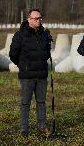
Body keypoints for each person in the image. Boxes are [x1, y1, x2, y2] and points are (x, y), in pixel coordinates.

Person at [9, 9, 51, 137]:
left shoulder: (44, 34)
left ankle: (42, 126)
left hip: (42, 75)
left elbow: (47, 52)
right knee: (25, 102)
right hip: (27, 76)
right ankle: (23, 129)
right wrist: (22, 65)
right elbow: (13, 54)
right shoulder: (20, 35)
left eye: (40, 18)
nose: (39, 20)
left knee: (41, 102)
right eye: (36, 18)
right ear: (29, 20)